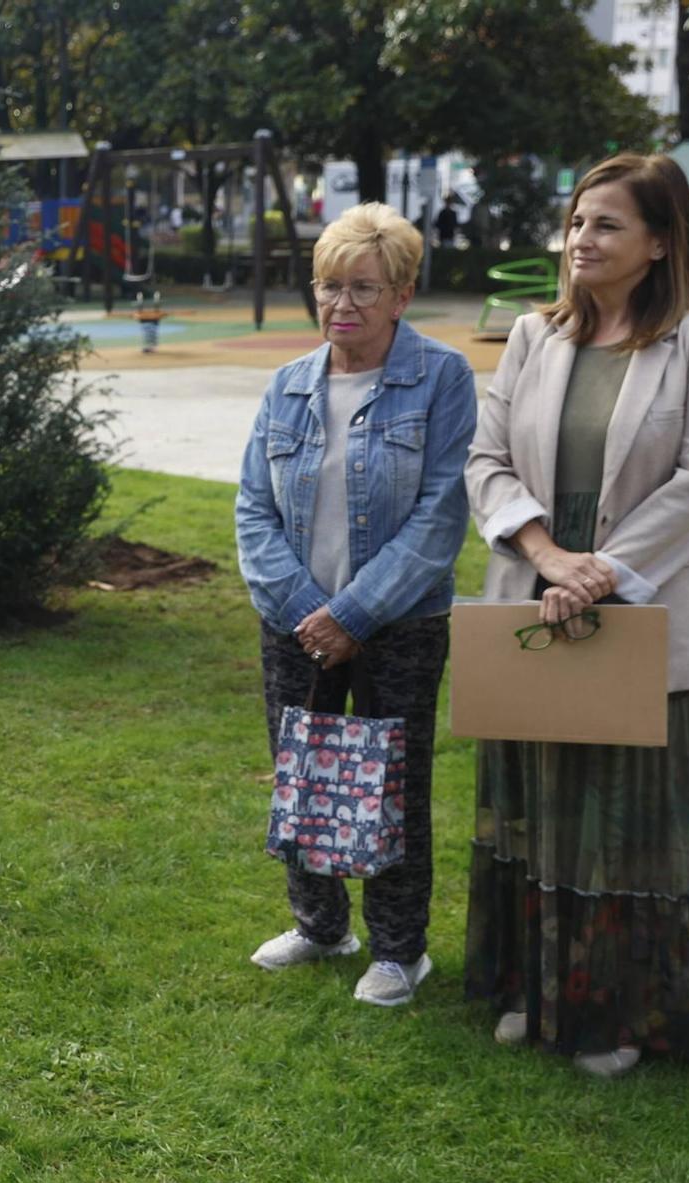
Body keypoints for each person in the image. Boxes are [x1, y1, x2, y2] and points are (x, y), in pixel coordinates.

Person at [463, 153, 689, 1077]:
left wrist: (603, 574)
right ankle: (534, 991)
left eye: (607, 225)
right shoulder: (532, 334)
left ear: (661, 242)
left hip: (648, 611)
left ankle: (624, 1014)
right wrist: (547, 555)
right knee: (541, 806)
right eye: (578, 222)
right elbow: (486, 462)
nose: (582, 240)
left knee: (629, 822)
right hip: (535, 602)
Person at [235, 203, 478, 1007]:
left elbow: (441, 516)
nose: (343, 305)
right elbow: (252, 510)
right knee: (302, 765)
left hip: (400, 624)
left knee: (393, 784)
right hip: (296, 623)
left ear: (403, 295)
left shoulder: (442, 378)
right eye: (329, 287)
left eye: (364, 289)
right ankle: (319, 924)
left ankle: (401, 950)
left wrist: (356, 615)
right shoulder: (288, 385)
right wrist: (307, 607)